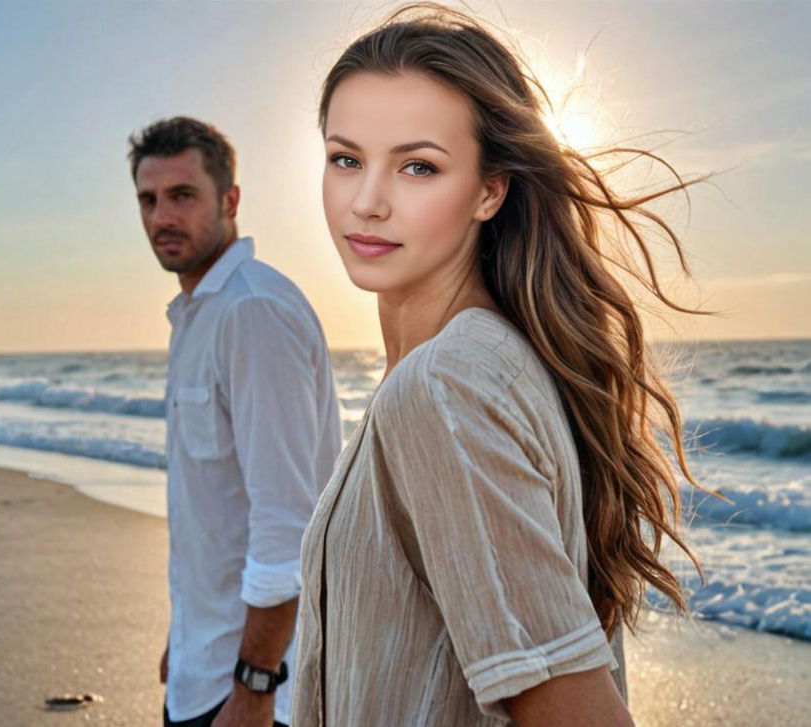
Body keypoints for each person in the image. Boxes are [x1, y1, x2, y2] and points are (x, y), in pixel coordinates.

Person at [292, 5, 704, 727]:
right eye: (345, 159)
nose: (366, 201)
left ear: (489, 190)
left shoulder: (443, 389)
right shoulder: (484, 365)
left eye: (418, 166)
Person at [128, 117, 342, 727]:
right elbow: (214, 510)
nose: (162, 217)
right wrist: (187, 633)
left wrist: (254, 686)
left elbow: (286, 522)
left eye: (182, 196)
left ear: (230, 200)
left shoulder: (253, 312)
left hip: (256, 691)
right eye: (149, 199)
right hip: (207, 667)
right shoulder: (198, 313)